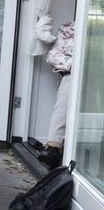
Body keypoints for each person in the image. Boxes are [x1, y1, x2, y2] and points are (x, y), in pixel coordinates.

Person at [34, 16, 75, 169]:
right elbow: (53, 55)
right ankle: (53, 147)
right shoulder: (69, 29)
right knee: (70, 81)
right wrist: (75, 65)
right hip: (75, 74)